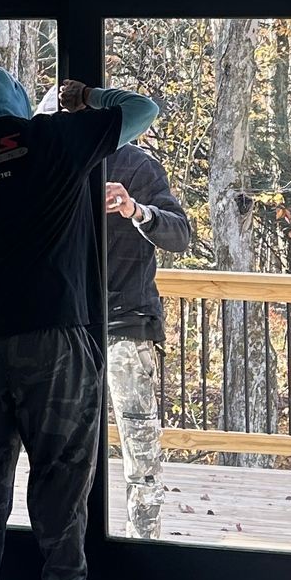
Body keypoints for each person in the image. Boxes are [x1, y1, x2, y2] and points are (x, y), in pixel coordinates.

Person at [0, 65, 158, 580]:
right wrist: (84, 98)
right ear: (16, 98)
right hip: (52, 333)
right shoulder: (53, 138)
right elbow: (144, 110)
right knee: (62, 472)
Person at [101, 138, 192, 541]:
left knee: (141, 455)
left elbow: (179, 234)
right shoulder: (53, 162)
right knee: (64, 450)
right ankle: (70, 556)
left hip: (126, 326)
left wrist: (135, 210)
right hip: (67, 326)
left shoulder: (137, 165)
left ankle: (143, 549)